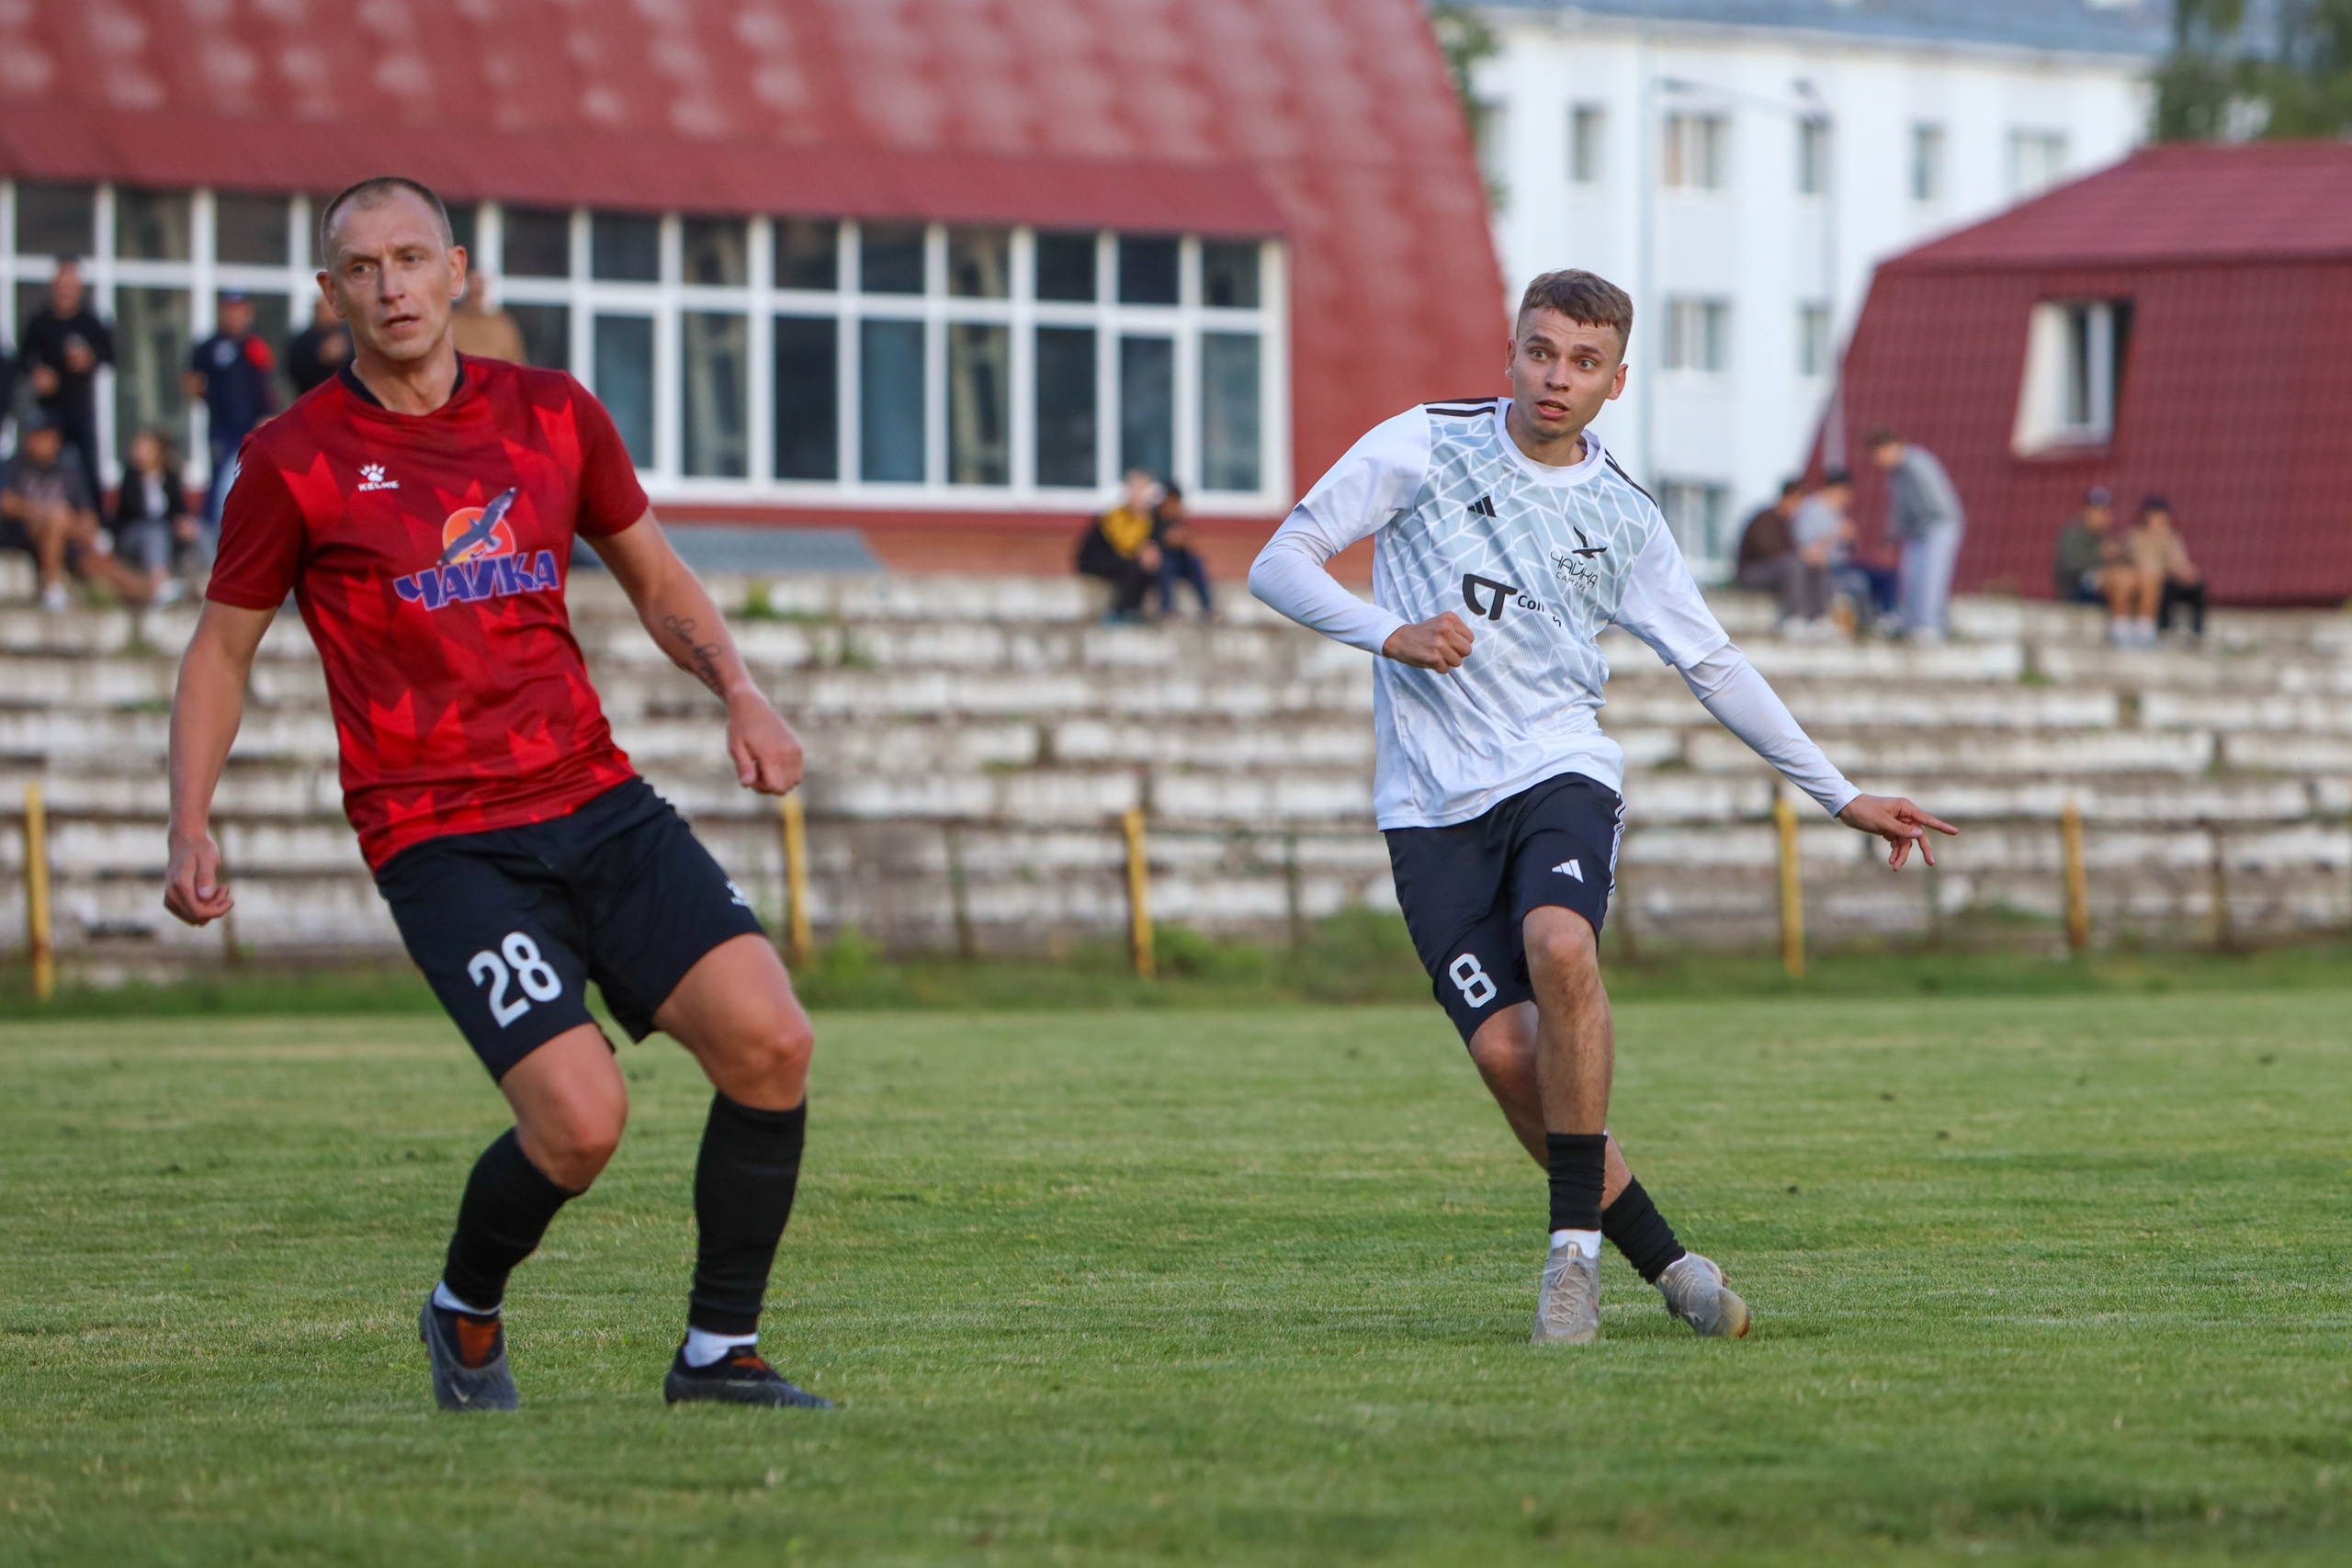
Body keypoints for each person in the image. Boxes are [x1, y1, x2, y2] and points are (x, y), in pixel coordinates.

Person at [164, 175, 829, 1414]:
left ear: (458, 271)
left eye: (413, 258)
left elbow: (655, 576)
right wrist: (189, 820)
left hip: (597, 801)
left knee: (772, 1041)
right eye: (363, 269)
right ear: (329, 295)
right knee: (580, 1120)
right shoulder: (293, 459)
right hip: (443, 837)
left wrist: (740, 688)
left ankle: (717, 1356)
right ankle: (464, 1308)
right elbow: (221, 650)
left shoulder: (553, 414)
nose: (393, 287)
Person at [1249, 268, 1953, 1346]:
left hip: (1559, 769)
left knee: (1560, 942)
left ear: (1614, 383)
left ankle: (1570, 1259)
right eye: (1540, 352)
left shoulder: (1624, 516)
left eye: (1583, 362)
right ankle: (1665, 1262)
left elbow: (1712, 664)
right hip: (1428, 807)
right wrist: (1388, 633)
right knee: (1506, 1059)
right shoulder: (1423, 445)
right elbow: (1279, 563)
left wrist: (1840, 794)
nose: (1555, 377)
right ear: (1510, 354)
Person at [1, 411, 157, 610]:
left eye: (41, 436)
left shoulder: (69, 470)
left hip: (68, 539)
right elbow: (6, 503)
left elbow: (88, 516)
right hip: (23, 534)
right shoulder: (14, 464)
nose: (34, 441)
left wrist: (75, 527)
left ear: (55, 439)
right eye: (32, 435)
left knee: (101, 564)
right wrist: (45, 513)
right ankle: (52, 587)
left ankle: (154, 593)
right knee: (58, 515)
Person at [186, 292, 279, 552]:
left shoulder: (255, 346)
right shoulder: (208, 347)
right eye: (230, 309)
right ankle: (212, 545)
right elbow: (191, 383)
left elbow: (267, 386)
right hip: (222, 428)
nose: (235, 315)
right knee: (220, 484)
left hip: (253, 428)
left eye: (240, 309)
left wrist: (268, 416)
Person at [17, 258, 114, 507]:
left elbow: (109, 355)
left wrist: (89, 359)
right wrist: (38, 374)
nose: (66, 289)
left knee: (87, 466)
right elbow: (23, 360)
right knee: (41, 463)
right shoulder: (40, 322)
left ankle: (93, 517)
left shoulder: (90, 322)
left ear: (79, 287)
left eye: (71, 283)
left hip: (79, 406)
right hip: (48, 409)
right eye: (62, 283)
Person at [1866, 427, 1964, 642]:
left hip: (1938, 525)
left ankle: (1930, 625)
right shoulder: (1896, 474)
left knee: (1932, 576)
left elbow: (1934, 500)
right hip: (1917, 530)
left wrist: (1923, 526)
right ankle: (1910, 623)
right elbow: (1899, 509)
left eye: (1879, 455)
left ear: (1890, 447)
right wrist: (1892, 539)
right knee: (1911, 576)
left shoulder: (1918, 463)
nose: (1879, 461)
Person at [2052, 485, 2155, 646]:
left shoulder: (2105, 535)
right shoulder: (2073, 533)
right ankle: (2121, 630)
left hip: (2102, 582)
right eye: (2097, 510)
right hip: (2077, 587)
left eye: (2104, 510)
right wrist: (2100, 556)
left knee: (2144, 576)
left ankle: (2144, 629)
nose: (2101, 515)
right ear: (2087, 510)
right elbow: (2071, 565)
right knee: (2121, 578)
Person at [109, 428, 196, 604]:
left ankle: (213, 579)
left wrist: (183, 524)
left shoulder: (170, 476)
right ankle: (160, 584)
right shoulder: (131, 475)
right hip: (135, 534)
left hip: (166, 532)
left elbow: (179, 509)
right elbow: (132, 512)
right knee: (155, 531)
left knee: (198, 530)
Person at [1076, 469, 1161, 623]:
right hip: (1097, 559)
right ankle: (1116, 612)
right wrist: (1142, 551)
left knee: (1150, 569)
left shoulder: (1147, 517)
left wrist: (1151, 552)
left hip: (1122, 558)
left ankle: (1135, 610)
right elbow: (1124, 545)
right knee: (1132, 567)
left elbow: (1151, 541)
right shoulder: (1114, 514)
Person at [1781, 470, 1853, 638]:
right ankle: (1800, 617)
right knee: (1811, 568)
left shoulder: (1837, 514)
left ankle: (1822, 619)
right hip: (1810, 559)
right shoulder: (1811, 509)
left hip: (1834, 562)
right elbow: (1802, 541)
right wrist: (1833, 537)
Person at [1732, 479, 1810, 626]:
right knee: (1792, 565)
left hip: (1772, 570)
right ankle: (1791, 618)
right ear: (1788, 498)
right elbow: (1767, 549)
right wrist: (1801, 554)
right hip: (1751, 573)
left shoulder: (1786, 523)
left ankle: (1815, 616)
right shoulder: (1765, 518)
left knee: (1810, 566)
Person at [2132, 495, 2206, 642]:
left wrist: (2187, 572)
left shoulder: (2172, 537)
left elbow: (2180, 560)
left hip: (2172, 578)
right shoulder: (2137, 537)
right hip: (2152, 582)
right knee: (2166, 586)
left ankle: (2197, 631)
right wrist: (2172, 569)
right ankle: (2163, 628)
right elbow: (2145, 564)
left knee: (2198, 583)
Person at [1154, 481, 1215, 619]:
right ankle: (1166, 609)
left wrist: (1182, 539)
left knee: (1195, 562)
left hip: (1180, 562)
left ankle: (1207, 608)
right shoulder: (1154, 519)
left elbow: (1190, 543)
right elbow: (1166, 540)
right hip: (1162, 564)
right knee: (1165, 566)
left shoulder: (1178, 520)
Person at [284, 294, 352, 395]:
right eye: (322, 310)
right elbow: (293, 367)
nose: (326, 314)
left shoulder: (351, 337)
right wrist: (320, 356)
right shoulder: (304, 340)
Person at [451, 276, 527, 363]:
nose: (475, 293)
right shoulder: (453, 324)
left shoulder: (501, 325)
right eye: (472, 289)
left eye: (478, 292)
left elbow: (515, 360)